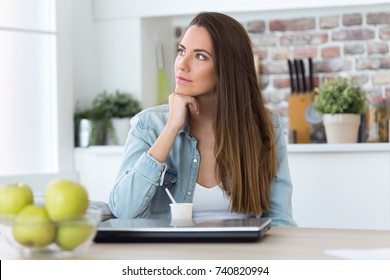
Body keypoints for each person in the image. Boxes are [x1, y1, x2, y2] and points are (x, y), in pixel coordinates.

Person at [108, 11, 297, 227]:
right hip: (171, 257)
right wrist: (171, 128)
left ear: (226, 69)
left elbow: (280, 219)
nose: (182, 64)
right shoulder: (148, 125)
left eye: (200, 56)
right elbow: (122, 211)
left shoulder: (266, 128)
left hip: (242, 256)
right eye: (181, 51)